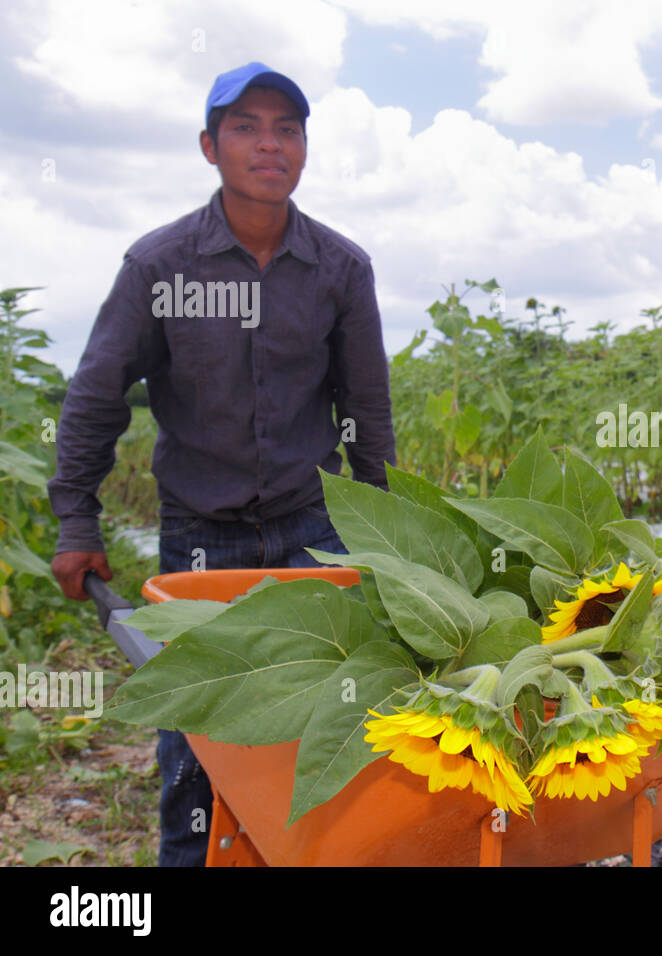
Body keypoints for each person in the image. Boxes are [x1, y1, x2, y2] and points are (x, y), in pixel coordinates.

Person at [47, 62, 397, 866]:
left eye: (286, 129)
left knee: (335, 726)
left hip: (318, 530)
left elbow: (366, 415)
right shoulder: (160, 267)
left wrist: (387, 542)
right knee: (198, 744)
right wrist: (77, 520)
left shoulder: (342, 269)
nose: (268, 145)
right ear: (210, 147)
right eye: (246, 128)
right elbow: (97, 396)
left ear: (304, 149)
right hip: (202, 535)